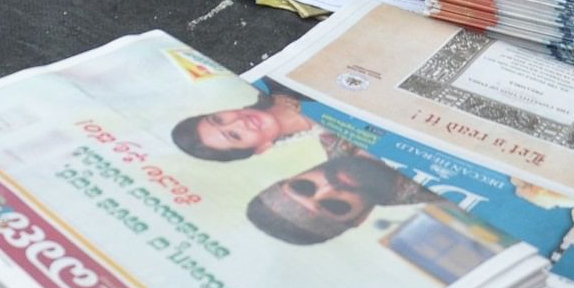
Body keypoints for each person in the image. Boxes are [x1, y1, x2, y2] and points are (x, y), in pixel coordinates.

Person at [245, 150, 435, 244]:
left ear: (294, 177)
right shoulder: (437, 187)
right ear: (361, 218)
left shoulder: (322, 120)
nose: (329, 189)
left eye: (303, 187)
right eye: (334, 206)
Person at [171, 85, 324, 161]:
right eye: (234, 135)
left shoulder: (270, 83)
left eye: (219, 120)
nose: (239, 122)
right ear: (261, 148)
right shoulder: (336, 143)